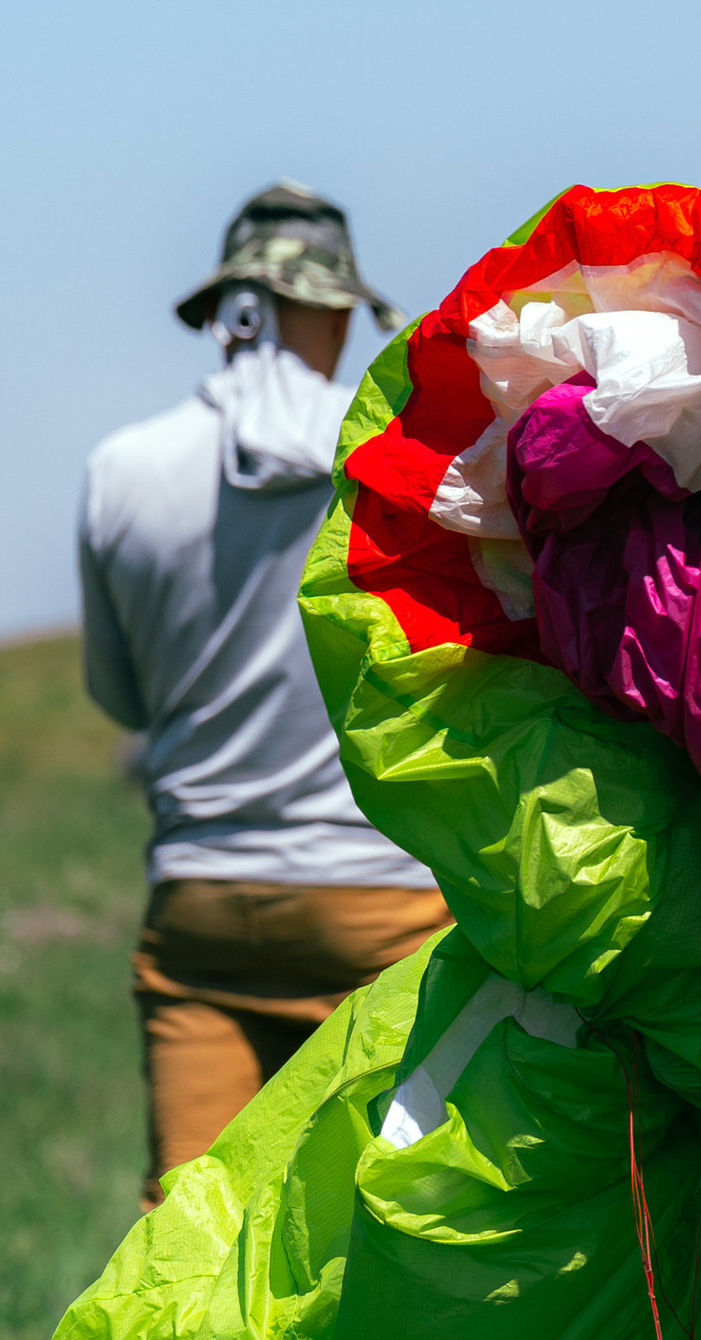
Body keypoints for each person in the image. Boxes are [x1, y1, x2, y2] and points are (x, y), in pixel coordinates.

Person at [79, 183, 446, 1205]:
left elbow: (123, 701)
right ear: (323, 308)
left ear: (228, 310)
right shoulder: (389, 453)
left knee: (186, 1232)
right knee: (381, 1219)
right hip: (381, 906)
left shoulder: (119, 470)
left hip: (200, 907)